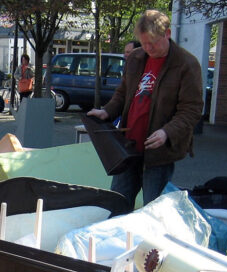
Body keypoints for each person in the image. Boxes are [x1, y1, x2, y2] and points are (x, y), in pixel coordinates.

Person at [87, 9, 203, 210]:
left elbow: (191, 110)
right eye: (144, 43)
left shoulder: (186, 64)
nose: (148, 48)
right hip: (127, 148)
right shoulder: (136, 57)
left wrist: (167, 132)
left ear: (167, 33)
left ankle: (148, 243)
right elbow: (123, 93)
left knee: (152, 212)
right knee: (117, 205)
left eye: (153, 42)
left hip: (158, 153)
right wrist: (107, 111)